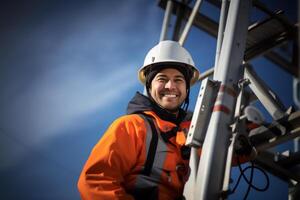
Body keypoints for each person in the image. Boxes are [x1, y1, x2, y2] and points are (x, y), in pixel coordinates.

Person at [77, 40, 200, 200]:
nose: (171, 86)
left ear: (186, 88)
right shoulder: (130, 126)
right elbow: (95, 182)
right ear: (149, 87)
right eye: (162, 79)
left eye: (178, 80)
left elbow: (230, 151)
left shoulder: (195, 131)